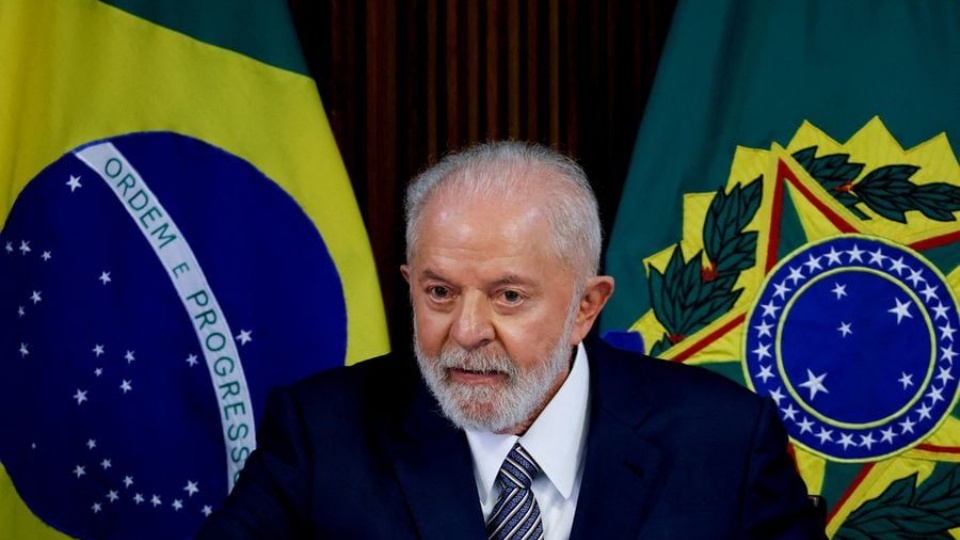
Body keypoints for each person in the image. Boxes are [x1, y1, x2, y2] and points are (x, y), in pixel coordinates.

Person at [197, 141, 825, 539]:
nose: (467, 332)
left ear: (585, 307)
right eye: (439, 292)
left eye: (509, 296)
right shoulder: (320, 433)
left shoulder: (724, 441)